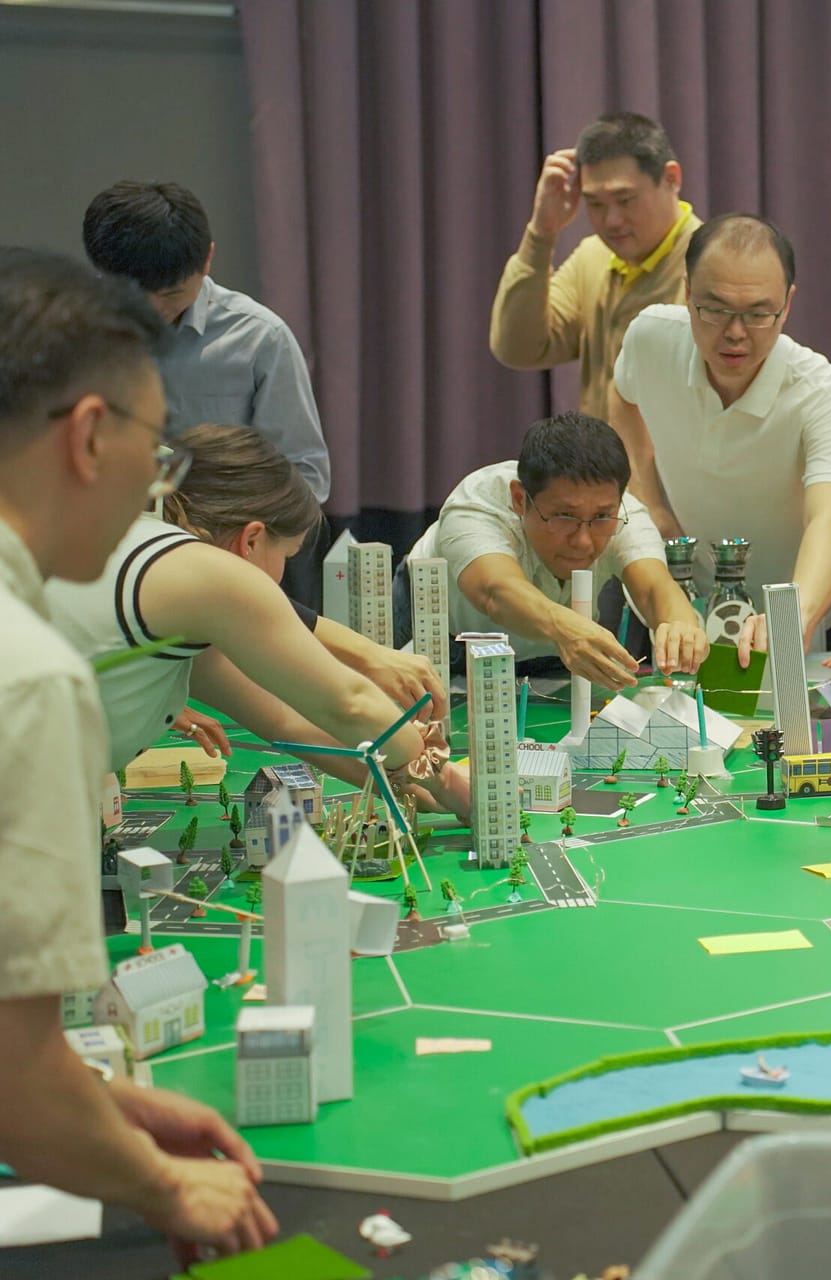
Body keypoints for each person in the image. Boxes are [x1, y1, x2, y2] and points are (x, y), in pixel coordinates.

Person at [0, 247, 277, 1259]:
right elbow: (16, 1076)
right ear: (87, 436)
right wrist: (164, 1183)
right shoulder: (32, 675)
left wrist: (100, 1103)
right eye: (158, 456)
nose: (157, 488)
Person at [47, 425, 471, 827]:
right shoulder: (210, 575)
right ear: (251, 540)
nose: (281, 581)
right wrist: (447, 779)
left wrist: (412, 785)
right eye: (287, 555)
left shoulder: (127, 542)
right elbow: (352, 705)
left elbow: (284, 721)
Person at [609, 214, 831, 653]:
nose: (735, 333)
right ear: (688, 293)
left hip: (780, 619)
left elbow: (829, 520)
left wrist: (793, 616)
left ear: (787, 304)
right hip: (676, 606)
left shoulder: (823, 395)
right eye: (716, 309)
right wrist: (652, 504)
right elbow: (622, 396)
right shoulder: (651, 338)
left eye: (759, 313)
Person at [403, 412, 709, 687]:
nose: (583, 541)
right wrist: (566, 628)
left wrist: (680, 626)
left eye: (601, 517)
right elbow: (496, 592)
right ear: (520, 499)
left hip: (552, 654)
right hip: (443, 642)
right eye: (564, 516)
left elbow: (654, 588)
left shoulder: (624, 514)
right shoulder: (477, 504)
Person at [82, 181, 330, 504]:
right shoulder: (71, 332)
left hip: (218, 526)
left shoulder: (259, 338)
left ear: (208, 259)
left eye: (172, 293)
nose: (153, 310)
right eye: (136, 295)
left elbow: (306, 478)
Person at [490, 112, 700, 425]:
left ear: (671, 178)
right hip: (599, 457)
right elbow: (518, 347)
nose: (611, 221)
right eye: (595, 204)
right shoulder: (593, 257)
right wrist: (541, 234)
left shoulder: (711, 266)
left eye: (625, 200)